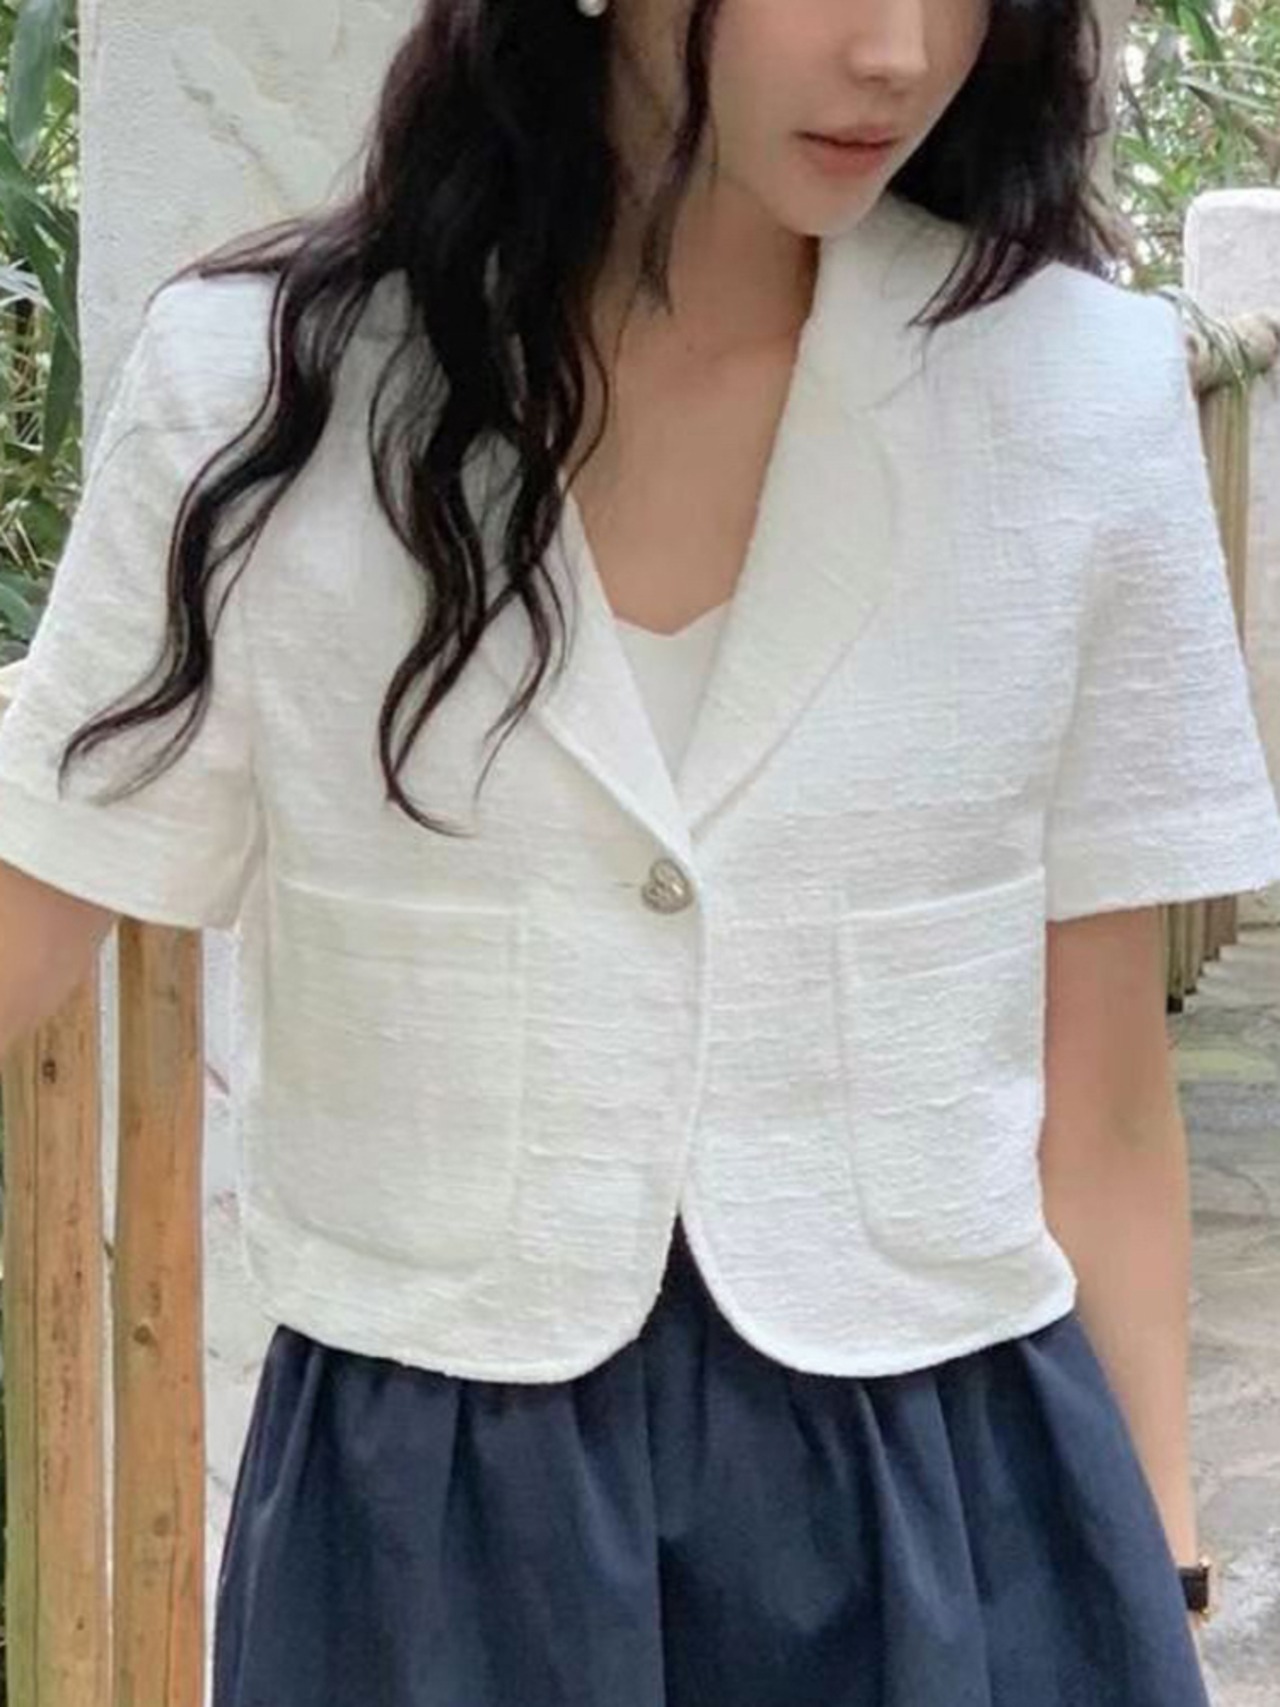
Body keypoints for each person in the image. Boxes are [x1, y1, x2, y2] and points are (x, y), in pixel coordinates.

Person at [0, 0, 1276, 1701]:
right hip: (426, 1516)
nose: (901, 52)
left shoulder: (1077, 392)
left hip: (951, 1497)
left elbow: (1102, 1094)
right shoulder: (267, 391)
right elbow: (36, 908)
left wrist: (1163, 1567)